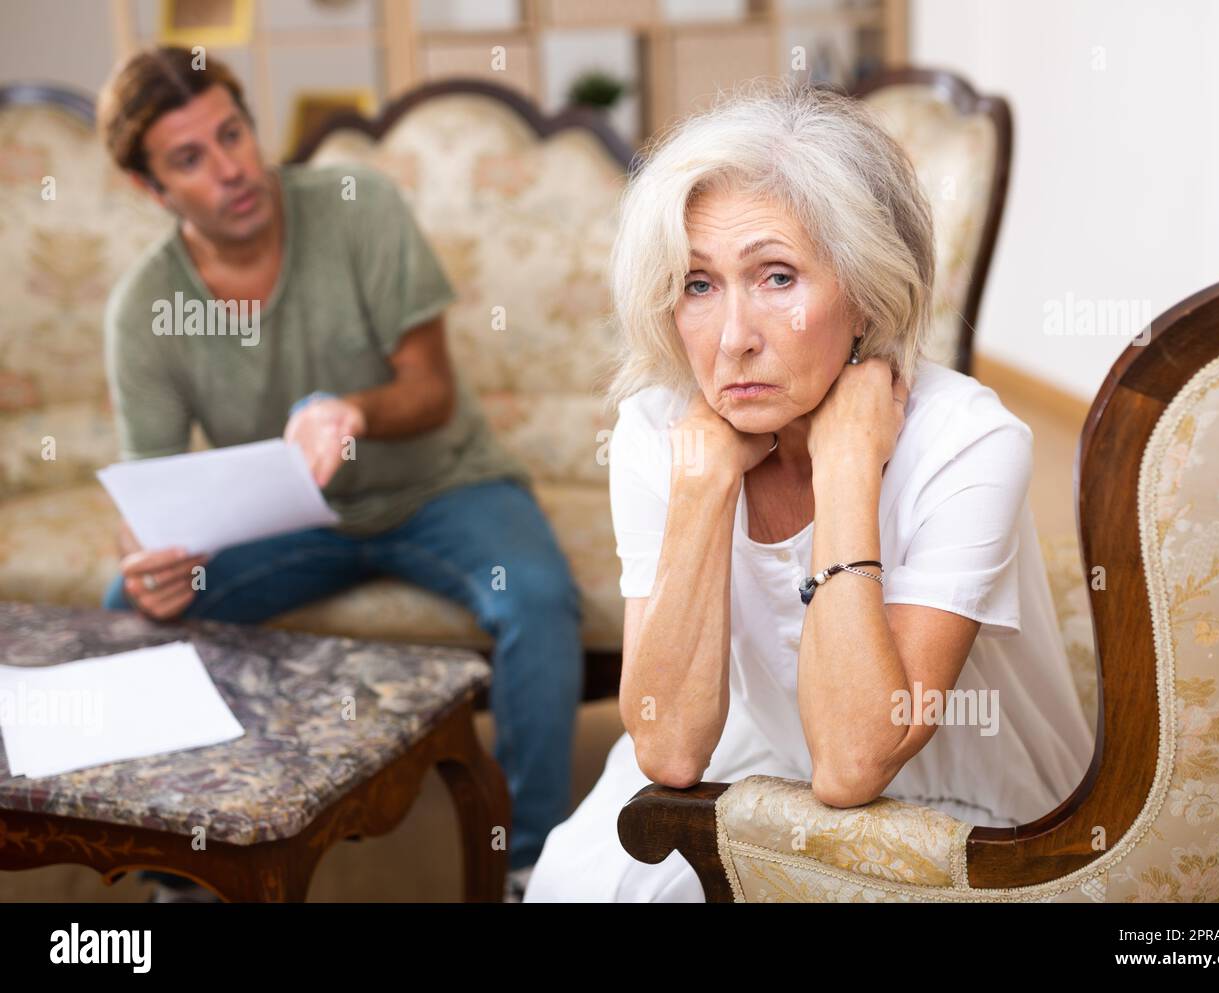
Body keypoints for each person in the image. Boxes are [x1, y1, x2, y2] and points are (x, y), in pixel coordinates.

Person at [524, 81, 1094, 902]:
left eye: (778, 277)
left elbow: (854, 761)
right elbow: (672, 751)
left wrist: (848, 468)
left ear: (863, 291)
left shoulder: (970, 441)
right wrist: (703, 488)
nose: (732, 339)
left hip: (965, 802)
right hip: (751, 751)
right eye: (697, 284)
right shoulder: (658, 431)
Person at [96, 47, 582, 902]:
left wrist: (351, 412)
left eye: (233, 134)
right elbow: (156, 492)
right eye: (190, 159)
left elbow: (430, 390)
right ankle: (178, 865)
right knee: (127, 610)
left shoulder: (362, 208)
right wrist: (153, 561)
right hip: (285, 523)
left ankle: (530, 865)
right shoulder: (142, 311)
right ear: (151, 190)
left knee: (537, 596)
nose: (232, 168)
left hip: (443, 487)